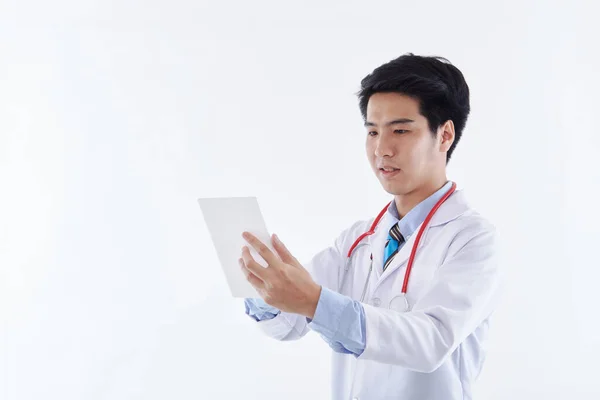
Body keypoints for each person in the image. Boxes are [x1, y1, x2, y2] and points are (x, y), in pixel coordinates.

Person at [239, 53, 501, 400]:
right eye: (373, 131)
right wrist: (265, 289)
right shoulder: (359, 239)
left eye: (401, 130)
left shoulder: (472, 239)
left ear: (444, 135)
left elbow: (432, 341)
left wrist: (316, 303)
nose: (381, 149)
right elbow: (290, 324)